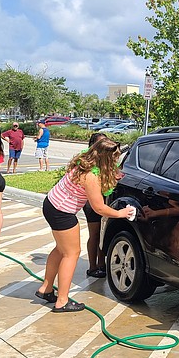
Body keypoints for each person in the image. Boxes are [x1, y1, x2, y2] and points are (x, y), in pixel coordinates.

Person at [36, 136, 136, 312]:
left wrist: (113, 174)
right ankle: (62, 301)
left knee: (61, 250)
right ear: (104, 158)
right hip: (62, 212)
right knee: (72, 254)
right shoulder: (91, 176)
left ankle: (46, 288)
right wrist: (120, 213)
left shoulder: (85, 161)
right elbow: (99, 208)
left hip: (52, 204)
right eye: (113, 159)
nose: (116, 161)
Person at [82, 132, 108, 278]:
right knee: (95, 234)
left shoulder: (107, 159)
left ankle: (101, 263)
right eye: (100, 143)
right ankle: (92, 267)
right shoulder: (88, 162)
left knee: (103, 234)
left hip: (104, 199)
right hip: (91, 202)